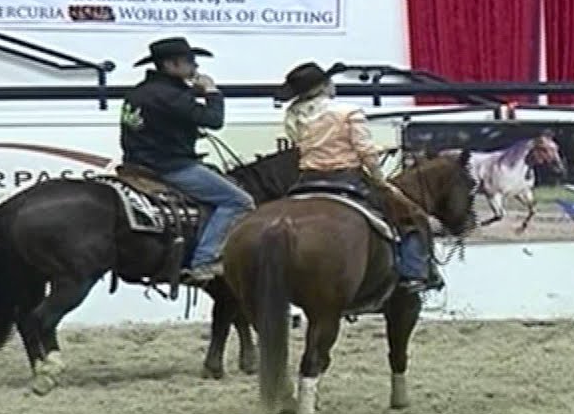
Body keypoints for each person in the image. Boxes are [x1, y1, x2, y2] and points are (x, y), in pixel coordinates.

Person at [279, 61, 443, 292]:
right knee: (410, 216)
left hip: (308, 179)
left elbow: (312, 143)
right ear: (325, 85)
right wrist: (379, 180)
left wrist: (379, 148)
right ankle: (413, 271)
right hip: (347, 178)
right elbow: (365, 152)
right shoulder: (349, 112)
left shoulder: (293, 115)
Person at [120, 36, 255, 285]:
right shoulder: (171, 95)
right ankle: (204, 261)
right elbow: (213, 120)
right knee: (238, 201)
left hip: (138, 163)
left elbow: (161, 121)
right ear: (171, 64)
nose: (196, 67)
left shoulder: (140, 92)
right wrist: (212, 92)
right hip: (170, 166)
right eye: (190, 61)